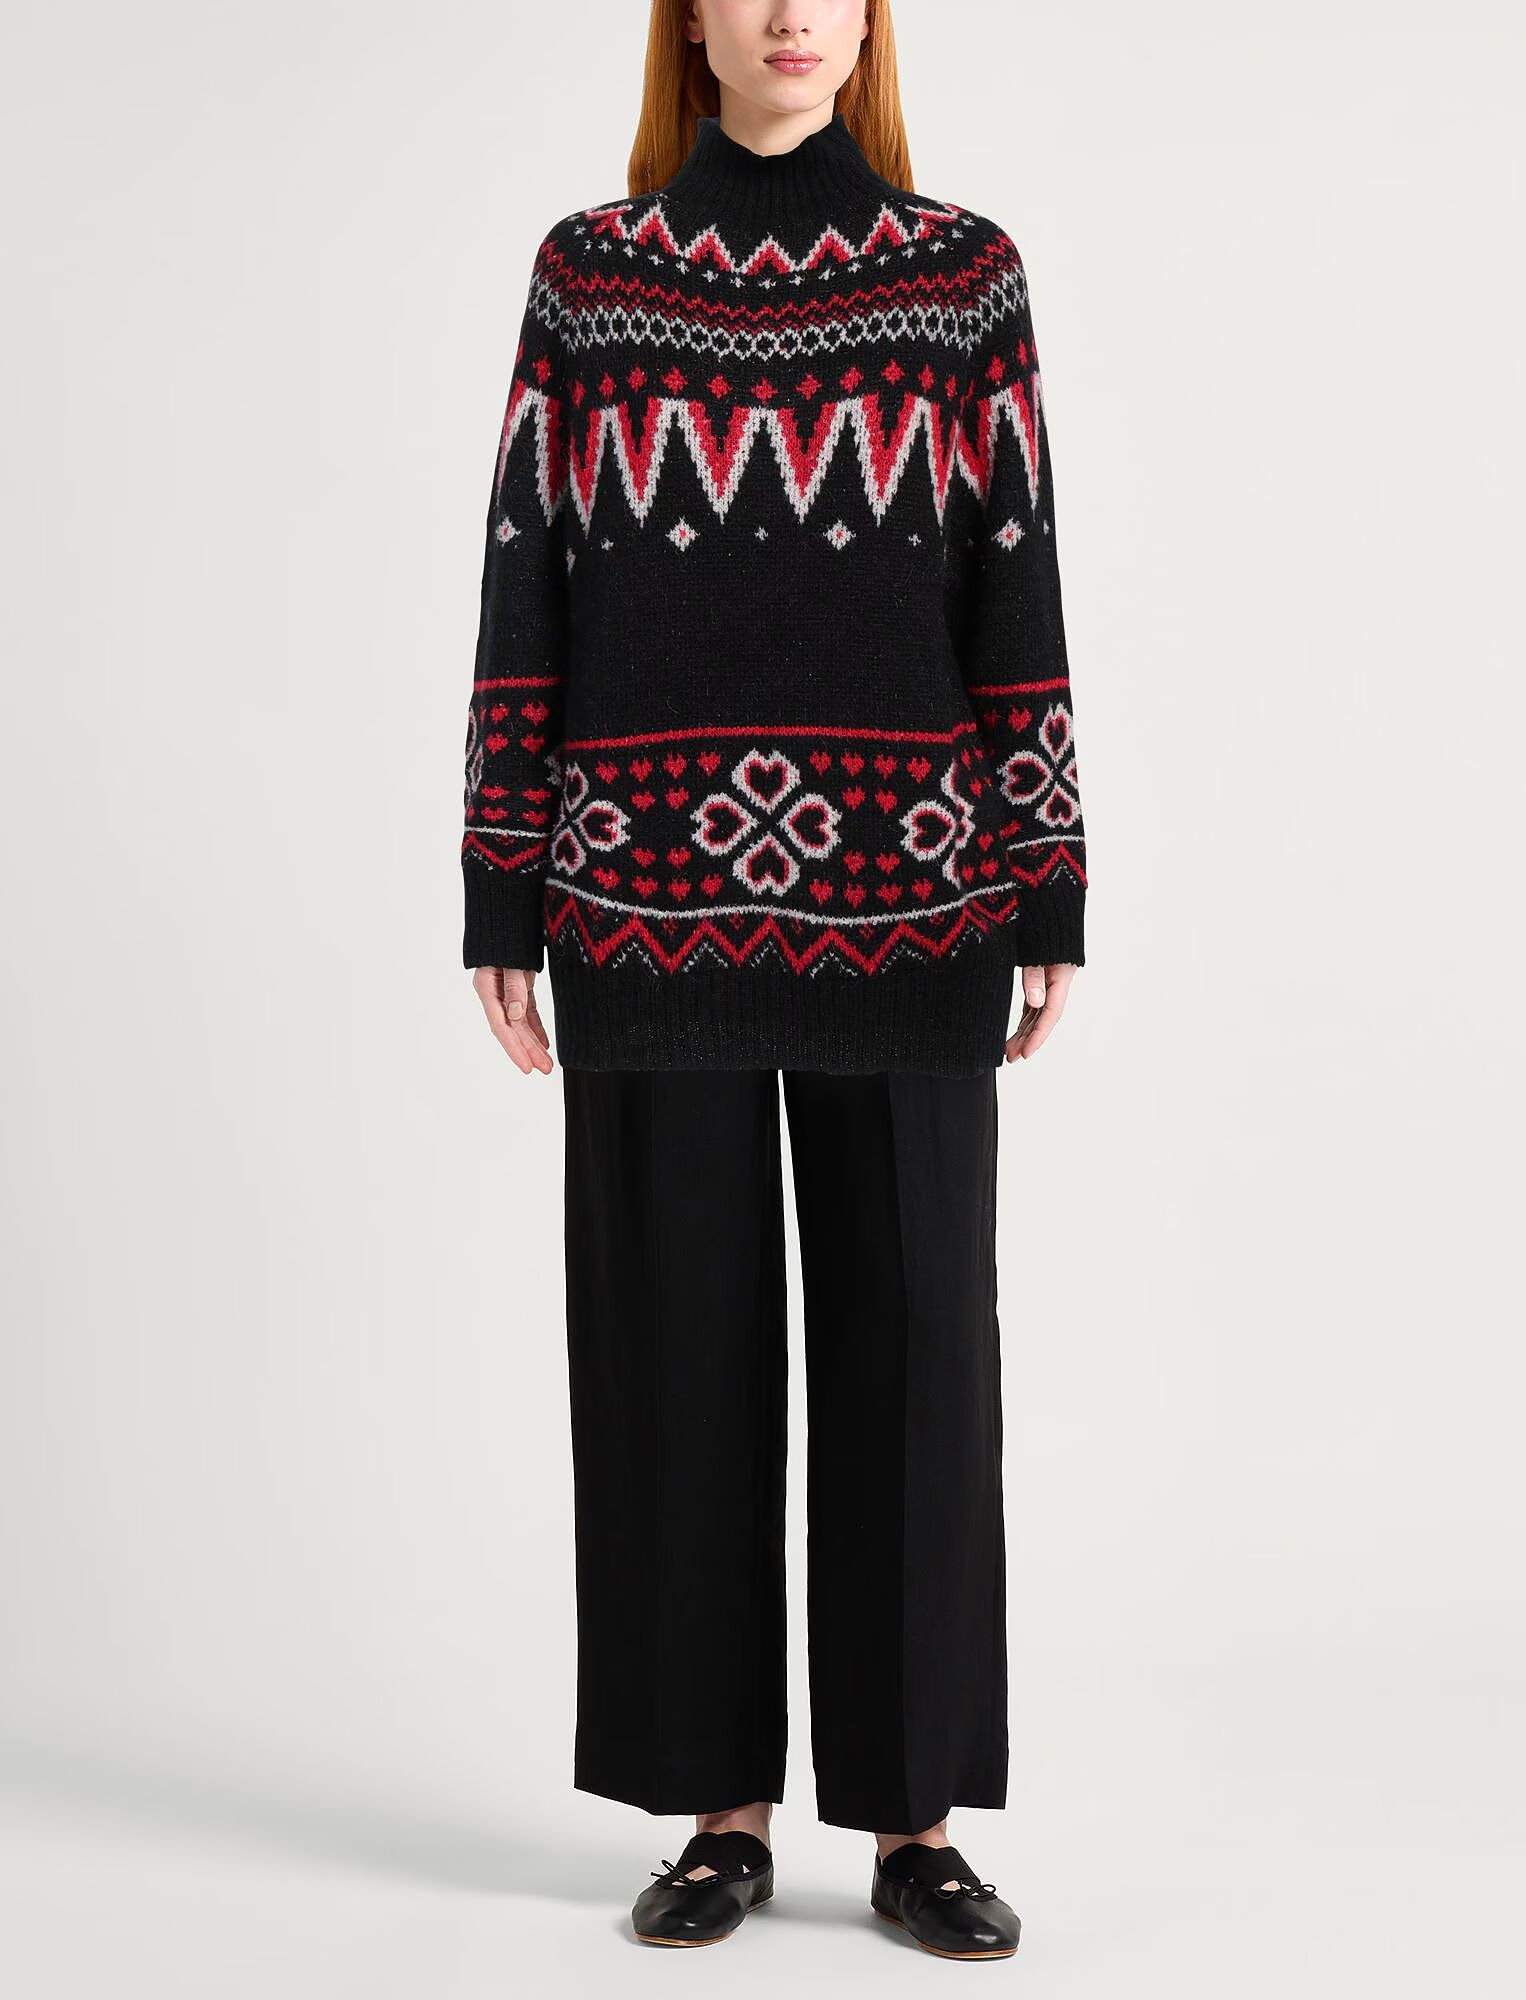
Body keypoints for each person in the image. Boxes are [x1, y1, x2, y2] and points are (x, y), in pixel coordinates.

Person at [461, 0, 1087, 1962]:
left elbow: (1016, 576)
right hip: (640, 892)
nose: (791, 13)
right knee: (675, 1351)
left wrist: (1050, 874)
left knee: (920, 1354)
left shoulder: (962, 274)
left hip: (921, 890)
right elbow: (525, 574)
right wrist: (499, 884)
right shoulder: (593, 273)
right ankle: (714, 1811)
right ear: (693, 17)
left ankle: (913, 1823)